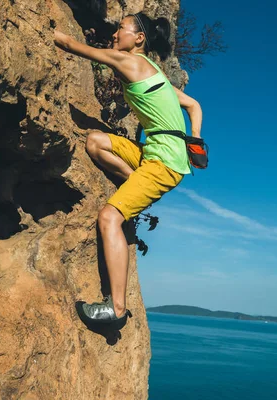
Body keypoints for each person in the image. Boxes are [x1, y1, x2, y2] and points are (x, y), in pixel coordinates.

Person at [54, 13, 203, 325]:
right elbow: (193, 105)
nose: (115, 31)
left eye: (121, 27)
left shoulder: (130, 62)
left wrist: (42, 29)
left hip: (163, 164)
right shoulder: (158, 73)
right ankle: (137, 186)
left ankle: (116, 309)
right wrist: (196, 141)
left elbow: (69, 43)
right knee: (95, 142)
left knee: (109, 217)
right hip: (153, 154)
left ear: (138, 39)